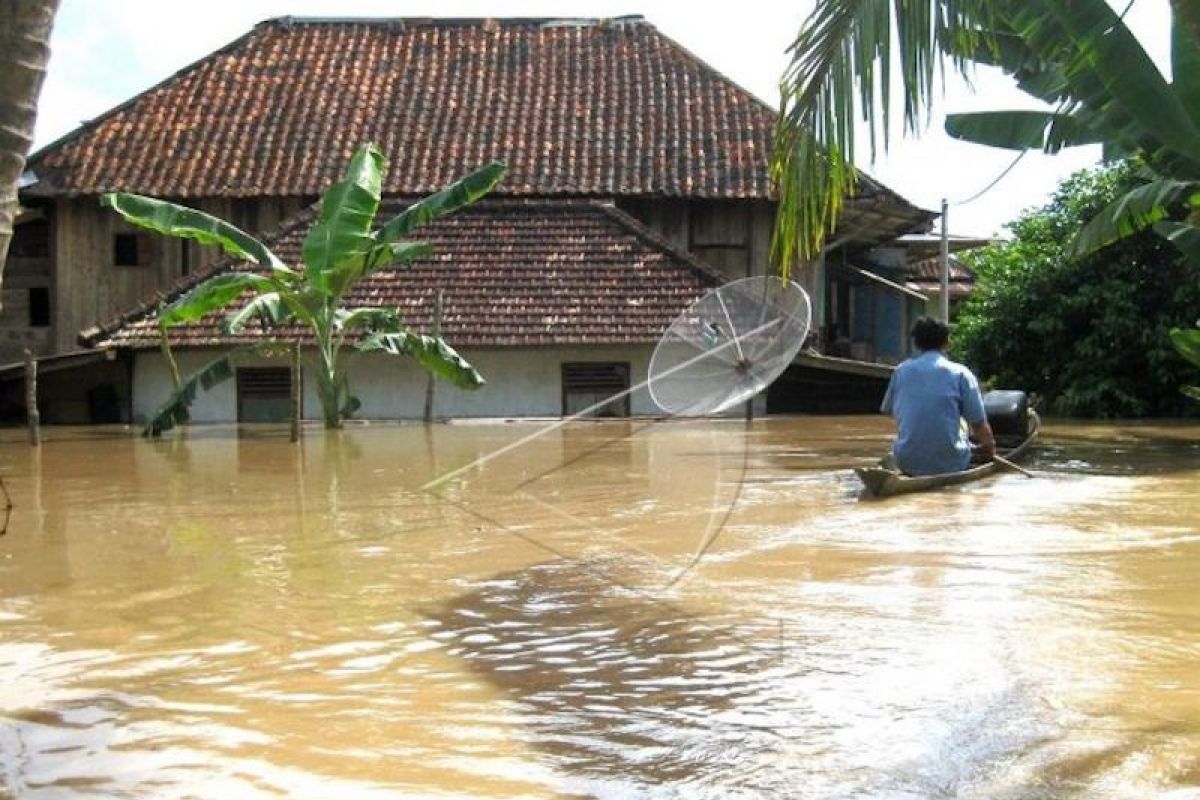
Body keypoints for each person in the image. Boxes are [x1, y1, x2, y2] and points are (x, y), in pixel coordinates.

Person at [881, 317, 996, 476]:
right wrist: (989, 449)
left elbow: (889, 412)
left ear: (916, 343)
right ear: (947, 343)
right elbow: (978, 424)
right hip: (951, 463)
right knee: (963, 424)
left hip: (906, 461)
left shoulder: (900, 371)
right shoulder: (961, 373)